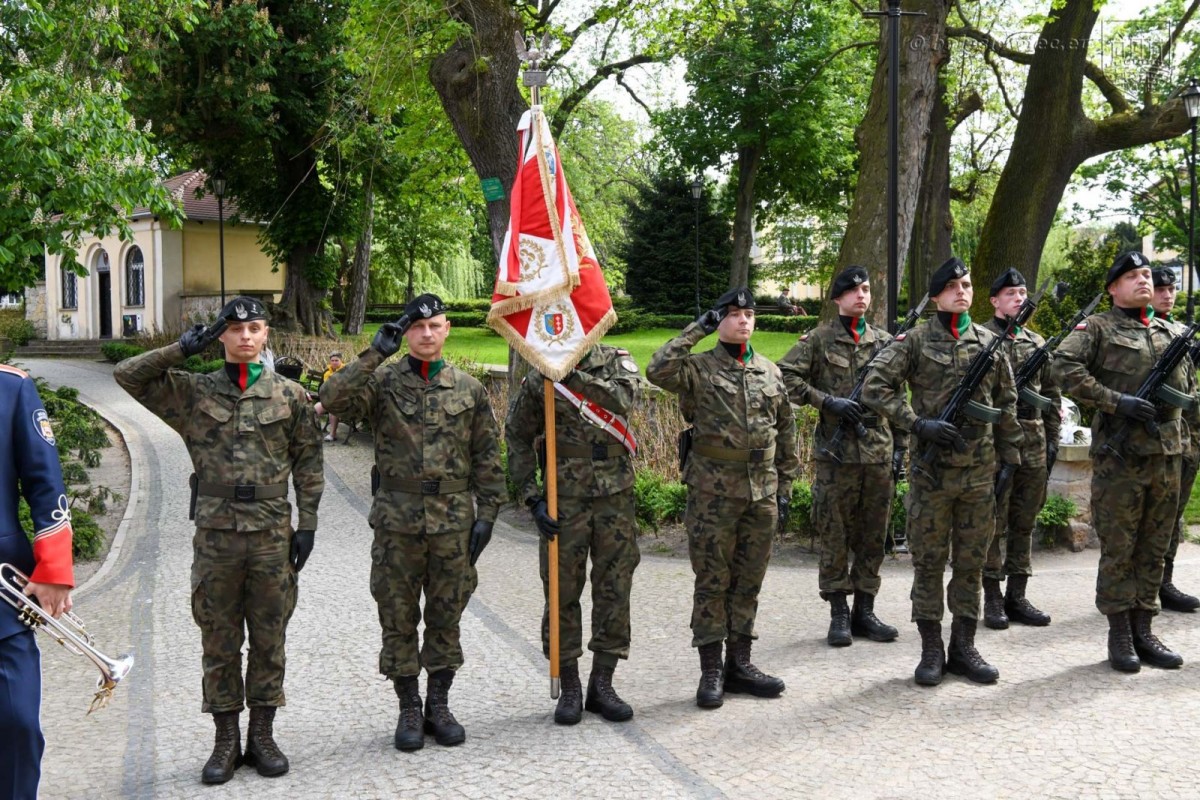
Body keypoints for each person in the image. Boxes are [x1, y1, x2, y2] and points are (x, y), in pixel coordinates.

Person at [114, 296, 323, 783]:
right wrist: (179, 351)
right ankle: (226, 741)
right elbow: (128, 375)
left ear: (266, 334)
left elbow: (310, 466)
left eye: (254, 328)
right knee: (219, 639)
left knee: (270, 638)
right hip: (216, 537)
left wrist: (308, 524)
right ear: (221, 336)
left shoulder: (290, 396)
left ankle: (263, 736)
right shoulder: (193, 392)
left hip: (272, 535)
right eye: (235, 328)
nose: (245, 336)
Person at [319, 293, 504, 751]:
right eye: (417, 327)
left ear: (447, 330)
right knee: (397, 617)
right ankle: (407, 706)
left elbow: (486, 456)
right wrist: (375, 351)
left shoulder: (469, 389)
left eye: (435, 326)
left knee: (447, 615)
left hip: (454, 524)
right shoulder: (381, 382)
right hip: (396, 524)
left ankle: (438, 704)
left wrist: (490, 514)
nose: (426, 334)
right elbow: (332, 399)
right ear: (407, 332)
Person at [861, 257, 1022, 687]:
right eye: (952, 286)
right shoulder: (913, 341)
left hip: (979, 474)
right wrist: (916, 423)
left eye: (967, 284)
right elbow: (875, 387)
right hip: (932, 477)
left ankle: (964, 646)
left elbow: (1007, 405)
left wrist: (1011, 459)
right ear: (936, 296)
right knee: (929, 564)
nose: (962, 291)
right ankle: (932, 648)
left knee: (971, 564)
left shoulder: (990, 343)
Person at [646, 287, 799, 709]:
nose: (743, 320)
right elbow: (656, 370)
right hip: (713, 493)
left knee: (749, 582)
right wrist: (697, 329)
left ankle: (741, 664)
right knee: (713, 582)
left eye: (748, 313)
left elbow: (785, 431)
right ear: (720, 321)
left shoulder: (770, 372)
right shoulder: (696, 369)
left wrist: (784, 487)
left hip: (761, 493)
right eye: (733, 314)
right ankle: (711, 669)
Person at [1054, 252, 1189, 672]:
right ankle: (1119, 634)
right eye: (1132, 276)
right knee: (1120, 549)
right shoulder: (1096, 328)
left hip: (1167, 456)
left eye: (1147, 275)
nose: (1143, 281)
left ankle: (1145, 629)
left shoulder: (1171, 332)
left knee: (1155, 547)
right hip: (1121, 458)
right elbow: (1062, 366)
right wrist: (1115, 402)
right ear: (1113, 288)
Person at [505, 345, 642, 725]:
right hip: (562, 497)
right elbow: (516, 434)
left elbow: (623, 400)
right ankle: (570, 686)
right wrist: (531, 497)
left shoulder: (615, 360)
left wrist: (567, 375)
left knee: (615, 586)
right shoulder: (539, 374)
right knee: (561, 590)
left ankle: (603, 683)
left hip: (615, 497)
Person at [778, 265, 902, 647]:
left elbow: (897, 397)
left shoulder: (884, 342)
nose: (861, 295)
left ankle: (865, 610)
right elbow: (785, 376)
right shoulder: (817, 339)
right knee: (834, 534)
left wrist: (902, 450)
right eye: (853, 291)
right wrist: (826, 401)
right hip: (837, 455)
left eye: (866, 289)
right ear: (837, 299)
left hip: (878, 452)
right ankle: (838, 613)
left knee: (873, 534)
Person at [0, 364, 74, 800]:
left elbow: (46, 484)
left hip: (1, 593)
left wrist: (55, 569)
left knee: (18, 724)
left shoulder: (11, 387)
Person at [981, 268, 1061, 630]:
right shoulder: (980, 339)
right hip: (996, 440)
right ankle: (993, 596)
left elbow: (1052, 398)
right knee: (992, 521)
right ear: (995, 301)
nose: (1018, 298)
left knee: (1024, 522)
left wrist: (1053, 443)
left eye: (1022, 292)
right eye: (1010, 293)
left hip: (1033, 440)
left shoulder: (1038, 343)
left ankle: (1017, 594)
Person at [1148, 266, 1200, 613]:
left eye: (1172, 289)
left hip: (1187, 438)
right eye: (1161, 289)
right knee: (1148, 519)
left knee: (1174, 514)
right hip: (1152, 440)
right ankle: (1139, 588)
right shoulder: (1144, 333)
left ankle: (1164, 581)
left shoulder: (1182, 331)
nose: (1168, 295)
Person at [321, 351, 345, 442]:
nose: (334, 362)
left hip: (343, 398)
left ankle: (332, 434)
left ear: (341, 360)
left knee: (332, 410)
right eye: (332, 360)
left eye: (336, 360)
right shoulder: (327, 373)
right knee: (316, 408)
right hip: (330, 398)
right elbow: (326, 387)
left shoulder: (346, 370)